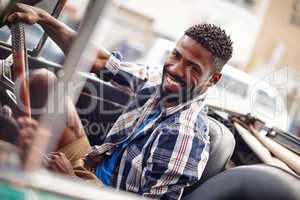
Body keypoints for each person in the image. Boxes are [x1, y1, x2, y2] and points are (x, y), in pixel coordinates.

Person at [3, 3, 233, 199]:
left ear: (213, 79)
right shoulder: (157, 82)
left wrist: (70, 181)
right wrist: (43, 18)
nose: (175, 70)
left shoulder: (184, 135)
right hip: (90, 166)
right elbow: (101, 61)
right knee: (44, 81)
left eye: (193, 68)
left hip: (103, 193)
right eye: (176, 56)